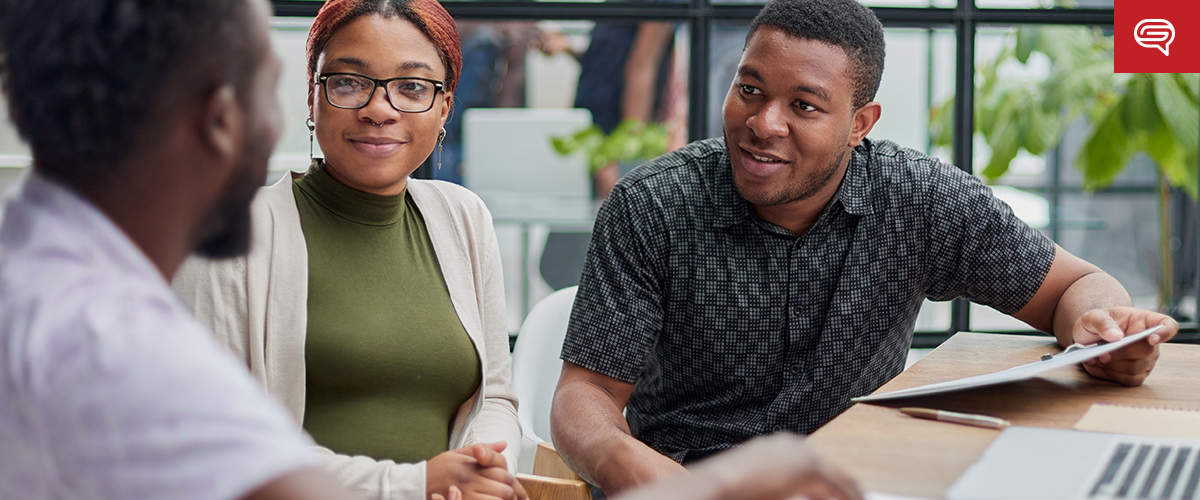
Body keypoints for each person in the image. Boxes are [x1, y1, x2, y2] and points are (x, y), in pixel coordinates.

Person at [549, 0, 1182, 496]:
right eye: (750, 90)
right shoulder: (655, 205)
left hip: (857, 480)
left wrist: (1104, 332)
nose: (764, 123)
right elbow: (586, 397)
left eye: (804, 105)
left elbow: (1074, 287)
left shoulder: (919, 199)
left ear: (860, 124)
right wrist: (634, 468)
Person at [172, 1, 525, 499]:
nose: (379, 109)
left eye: (412, 87)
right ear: (313, 98)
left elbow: (497, 399)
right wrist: (415, 484)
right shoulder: (230, 234)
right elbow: (216, 439)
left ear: (444, 107)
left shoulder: (464, 218)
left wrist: (480, 467)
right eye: (349, 82)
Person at [0, 0, 352, 498]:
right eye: (272, 90)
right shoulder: (114, 347)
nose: (279, 122)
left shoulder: (25, 259)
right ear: (222, 121)